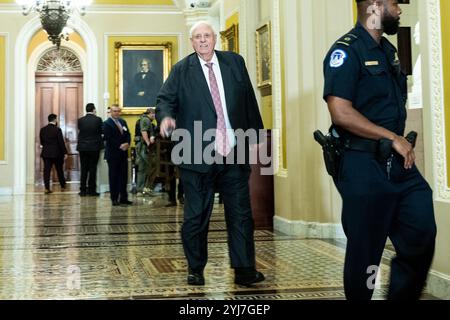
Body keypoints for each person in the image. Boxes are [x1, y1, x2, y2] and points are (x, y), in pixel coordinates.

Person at [323, 0, 436, 300]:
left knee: (421, 232)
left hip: (398, 165)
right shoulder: (345, 51)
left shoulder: (389, 51)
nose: (399, 9)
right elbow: (341, 112)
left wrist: (398, 140)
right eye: (395, 3)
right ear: (375, 6)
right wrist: (391, 136)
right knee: (366, 255)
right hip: (363, 165)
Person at [156, 21, 265, 286]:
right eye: (197, 37)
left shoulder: (234, 63)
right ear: (191, 42)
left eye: (207, 36)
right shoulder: (181, 70)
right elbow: (165, 100)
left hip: (233, 152)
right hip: (196, 154)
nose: (203, 40)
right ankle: (195, 269)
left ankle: (244, 269)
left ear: (215, 39)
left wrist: (257, 135)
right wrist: (166, 118)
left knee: (240, 214)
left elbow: (249, 98)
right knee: (196, 216)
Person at [103, 104, 133, 206]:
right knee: (114, 177)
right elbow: (108, 138)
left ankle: (124, 198)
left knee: (124, 177)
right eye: (114, 111)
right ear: (111, 112)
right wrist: (120, 145)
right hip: (113, 154)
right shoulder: (106, 123)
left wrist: (128, 143)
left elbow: (128, 134)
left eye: (118, 111)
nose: (117, 113)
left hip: (123, 154)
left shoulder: (123, 122)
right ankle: (114, 199)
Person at [77, 103, 103, 197]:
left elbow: (81, 130)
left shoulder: (80, 120)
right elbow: (101, 131)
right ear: (94, 109)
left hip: (83, 148)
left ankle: (83, 190)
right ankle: (92, 190)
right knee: (93, 169)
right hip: (94, 147)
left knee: (84, 169)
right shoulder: (98, 120)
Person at [39, 113, 67, 194]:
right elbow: (61, 142)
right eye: (56, 119)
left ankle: (47, 188)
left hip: (46, 153)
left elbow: (42, 142)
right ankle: (62, 186)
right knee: (59, 170)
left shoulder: (42, 129)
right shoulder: (57, 130)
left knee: (46, 171)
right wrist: (65, 152)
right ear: (54, 119)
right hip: (57, 153)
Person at [135, 107, 156, 194]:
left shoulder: (141, 119)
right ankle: (147, 188)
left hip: (139, 145)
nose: (154, 116)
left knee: (142, 168)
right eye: (154, 114)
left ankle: (140, 189)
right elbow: (144, 132)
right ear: (150, 113)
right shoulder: (146, 120)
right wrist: (148, 144)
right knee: (152, 165)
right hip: (143, 146)